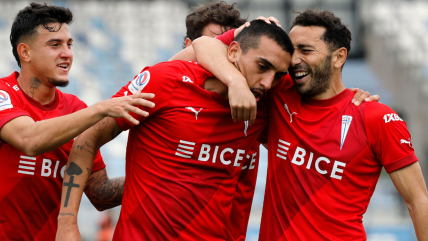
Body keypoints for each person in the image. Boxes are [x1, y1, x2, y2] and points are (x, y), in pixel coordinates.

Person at [189, 10, 428, 241]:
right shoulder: (278, 94)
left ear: (339, 57)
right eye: (293, 51)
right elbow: (202, 46)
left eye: (306, 50)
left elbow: (417, 200)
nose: (294, 60)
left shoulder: (375, 117)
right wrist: (236, 78)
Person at [56, 19, 292, 241]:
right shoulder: (166, 80)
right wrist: (67, 223)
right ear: (232, 51)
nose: (268, 82)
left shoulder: (263, 108)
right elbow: (90, 136)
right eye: (262, 66)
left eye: (278, 75)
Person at [0, 3, 154, 240]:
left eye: (69, 45)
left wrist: (158, 177)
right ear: (25, 52)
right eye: (55, 45)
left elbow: (99, 194)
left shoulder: (76, 109)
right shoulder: (4, 95)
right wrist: (101, 108)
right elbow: (28, 139)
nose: (67, 54)